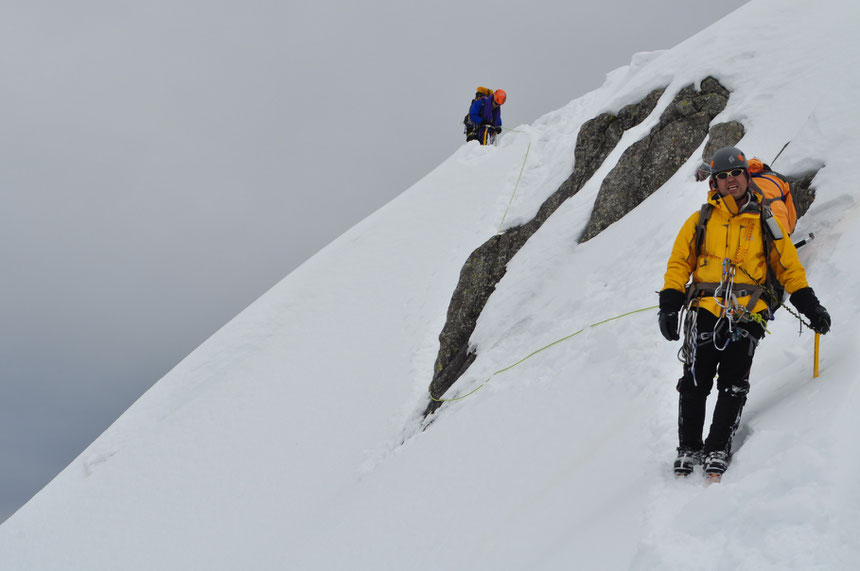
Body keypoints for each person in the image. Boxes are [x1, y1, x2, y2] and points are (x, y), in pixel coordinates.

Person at [658, 146, 831, 479]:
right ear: (715, 184)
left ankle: (717, 448)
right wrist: (670, 302)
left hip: (749, 311)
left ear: (746, 176)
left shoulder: (767, 220)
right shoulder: (700, 220)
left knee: (733, 383)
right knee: (695, 380)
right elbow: (680, 262)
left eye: (735, 173)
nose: (730, 180)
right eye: (722, 176)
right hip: (706, 307)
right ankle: (689, 447)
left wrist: (810, 304)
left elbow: (788, 267)